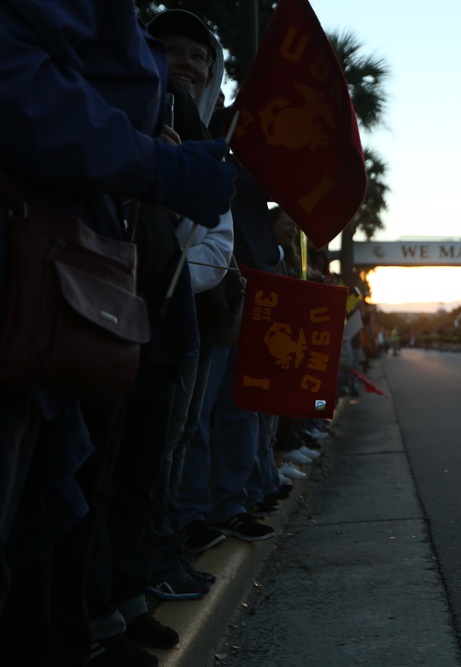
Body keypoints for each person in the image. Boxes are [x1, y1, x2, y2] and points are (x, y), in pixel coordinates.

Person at [0, 2, 236, 664]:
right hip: (41, 284)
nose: (180, 64)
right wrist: (158, 166)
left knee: (74, 490)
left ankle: (87, 622)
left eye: (199, 56)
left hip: (85, 296)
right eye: (173, 51)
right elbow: (28, 91)